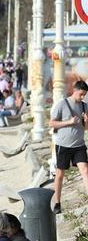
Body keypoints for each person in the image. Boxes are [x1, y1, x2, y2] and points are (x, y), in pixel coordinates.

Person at [49, 80, 88, 214]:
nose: (82, 97)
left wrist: (86, 121)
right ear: (74, 90)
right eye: (81, 94)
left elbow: (86, 128)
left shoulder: (84, 106)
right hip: (63, 145)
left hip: (79, 145)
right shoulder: (62, 104)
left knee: (85, 170)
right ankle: (58, 203)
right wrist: (69, 122)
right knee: (60, 174)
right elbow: (52, 123)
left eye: (84, 95)